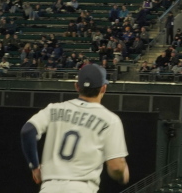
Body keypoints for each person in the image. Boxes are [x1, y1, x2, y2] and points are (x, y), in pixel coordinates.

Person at [20, 64, 129, 192]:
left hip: (49, 187)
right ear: (103, 88)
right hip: (81, 187)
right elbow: (116, 166)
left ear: (77, 86)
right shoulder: (110, 120)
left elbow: (27, 131)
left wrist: (35, 167)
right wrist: (122, 174)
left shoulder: (54, 109)